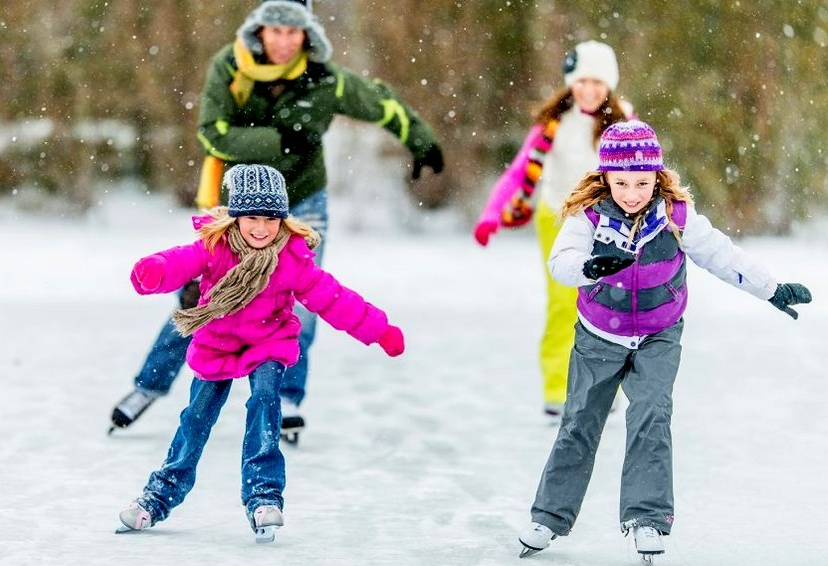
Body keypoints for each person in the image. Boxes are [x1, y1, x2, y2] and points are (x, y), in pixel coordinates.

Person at [109, 0, 443, 439]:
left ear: (307, 34)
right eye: (275, 30)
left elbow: (381, 103)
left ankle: (287, 396)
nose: (284, 41)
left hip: (302, 203)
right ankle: (148, 385)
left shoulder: (326, 79)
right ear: (259, 29)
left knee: (303, 296)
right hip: (237, 206)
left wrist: (421, 141)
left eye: (294, 31)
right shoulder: (231, 68)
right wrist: (280, 140)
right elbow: (214, 133)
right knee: (201, 296)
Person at [516, 120, 812, 561]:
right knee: (579, 422)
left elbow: (721, 254)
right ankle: (549, 517)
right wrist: (591, 267)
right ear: (605, 179)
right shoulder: (590, 216)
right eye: (621, 183)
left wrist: (771, 289)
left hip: (658, 335)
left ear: (657, 175)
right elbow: (562, 261)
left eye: (641, 181)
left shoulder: (676, 217)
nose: (632, 192)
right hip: (598, 336)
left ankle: (647, 520)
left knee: (652, 417)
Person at [116, 164, 406, 542]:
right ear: (235, 217)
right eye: (252, 217)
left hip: (268, 342)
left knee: (266, 403)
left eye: (271, 218)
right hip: (216, 342)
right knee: (195, 420)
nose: (261, 228)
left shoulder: (291, 258)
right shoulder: (214, 248)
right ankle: (159, 496)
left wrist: (379, 330)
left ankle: (263, 495)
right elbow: (179, 261)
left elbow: (333, 299)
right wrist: (154, 270)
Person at [473, 40, 632, 423]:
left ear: (608, 84)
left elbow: (645, 173)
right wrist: (492, 214)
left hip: (607, 221)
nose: (589, 90)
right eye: (581, 81)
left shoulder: (624, 123)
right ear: (571, 83)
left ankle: (605, 387)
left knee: (611, 302)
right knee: (564, 304)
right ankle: (556, 388)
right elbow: (518, 171)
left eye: (597, 82)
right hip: (558, 219)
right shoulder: (553, 125)